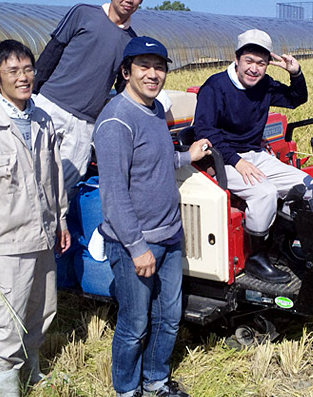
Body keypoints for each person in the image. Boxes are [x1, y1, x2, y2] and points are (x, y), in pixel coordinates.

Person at [94, 36, 210, 397]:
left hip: (170, 236)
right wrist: (136, 247)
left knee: (168, 318)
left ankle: (156, 382)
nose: (153, 73)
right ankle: (128, 390)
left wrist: (188, 157)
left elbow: (157, 162)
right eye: (144, 66)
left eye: (159, 67)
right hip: (137, 243)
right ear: (126, 72)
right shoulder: (116, 121)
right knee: (134, 324)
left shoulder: (156, 111)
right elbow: (113, 194)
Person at [0, 40, 71, 397]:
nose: (24, 78)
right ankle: (7, 388)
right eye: (13, 71)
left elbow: (54, 176)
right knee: (4, 322)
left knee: (41, 311)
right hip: (5, 244)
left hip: (42, 237)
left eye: (28, 70)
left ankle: (32, 370)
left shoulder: (42, 120)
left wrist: (61, 220)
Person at [193, 28, 313, 284]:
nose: (254, 69)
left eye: (261, 63)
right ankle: (256, 256)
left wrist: (296, 73)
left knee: (307, 185)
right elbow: (204, 131)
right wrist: (237, 161)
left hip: (254, 154)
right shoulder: (215, 87)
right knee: (264, 192)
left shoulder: (265, 85)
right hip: (220, 158)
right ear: (237, 59)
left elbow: (296, 99)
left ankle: (279, 243)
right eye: (249, 61)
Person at [33, 0, 144, 193]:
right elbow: (52, 50)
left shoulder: (131, 41)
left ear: (141, 0)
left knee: (66, 186)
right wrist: (32, 95)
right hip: (51, 106)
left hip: (85, 123)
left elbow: (123, 86)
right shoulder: (83, 13)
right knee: (34, 173)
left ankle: (59, 225)